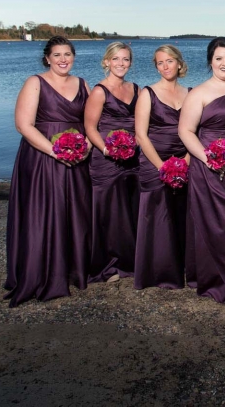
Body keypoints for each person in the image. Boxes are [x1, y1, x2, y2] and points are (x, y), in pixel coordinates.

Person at [5, 36, 92, 307]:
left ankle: (73, 270)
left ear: (74, 56)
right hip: (43, 157)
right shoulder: (35, 83)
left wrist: (86, 148)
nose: (63, 59)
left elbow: (91, 123)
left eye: (68, 54)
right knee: (43, 212)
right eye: (57, 55)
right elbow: (24, 125)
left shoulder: (83, 84)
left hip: (77, 158)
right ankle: (41, 273)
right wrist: (56, 152)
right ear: (47, 58)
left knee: (75, 211)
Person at [179, 37, 225, 304]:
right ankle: (216, 278)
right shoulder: (198, 92)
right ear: (210, 60)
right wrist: (209, 159)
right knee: (216, 223)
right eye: (219, 58)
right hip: (211, 167)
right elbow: (185, 131)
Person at [134, 45, 191, 290]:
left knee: (183, 213)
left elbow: (197, 131)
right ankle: (158, 271)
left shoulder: (191, 93)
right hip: (154, 161)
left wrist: (186, 161)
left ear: (179, 63)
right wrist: (162, 167)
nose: (165, 66)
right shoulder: (148, 94)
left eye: (170, 61)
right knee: (158, 214)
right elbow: (140, 135)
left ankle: (185, 266)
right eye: (160, 62)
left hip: (184, 160)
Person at [84, 42, 140, 283]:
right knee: (108, 210)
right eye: (116, 59)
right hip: (106, 158)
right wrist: (107, 149)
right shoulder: (99, 91)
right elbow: (90, 127)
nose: (120, 63)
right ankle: (108, 264)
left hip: (133, 157)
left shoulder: (136, 88)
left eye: (125, 59)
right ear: (106, 61)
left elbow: (140, 122)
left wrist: (137, 142)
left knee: (130, 208)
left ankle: (130, 260)